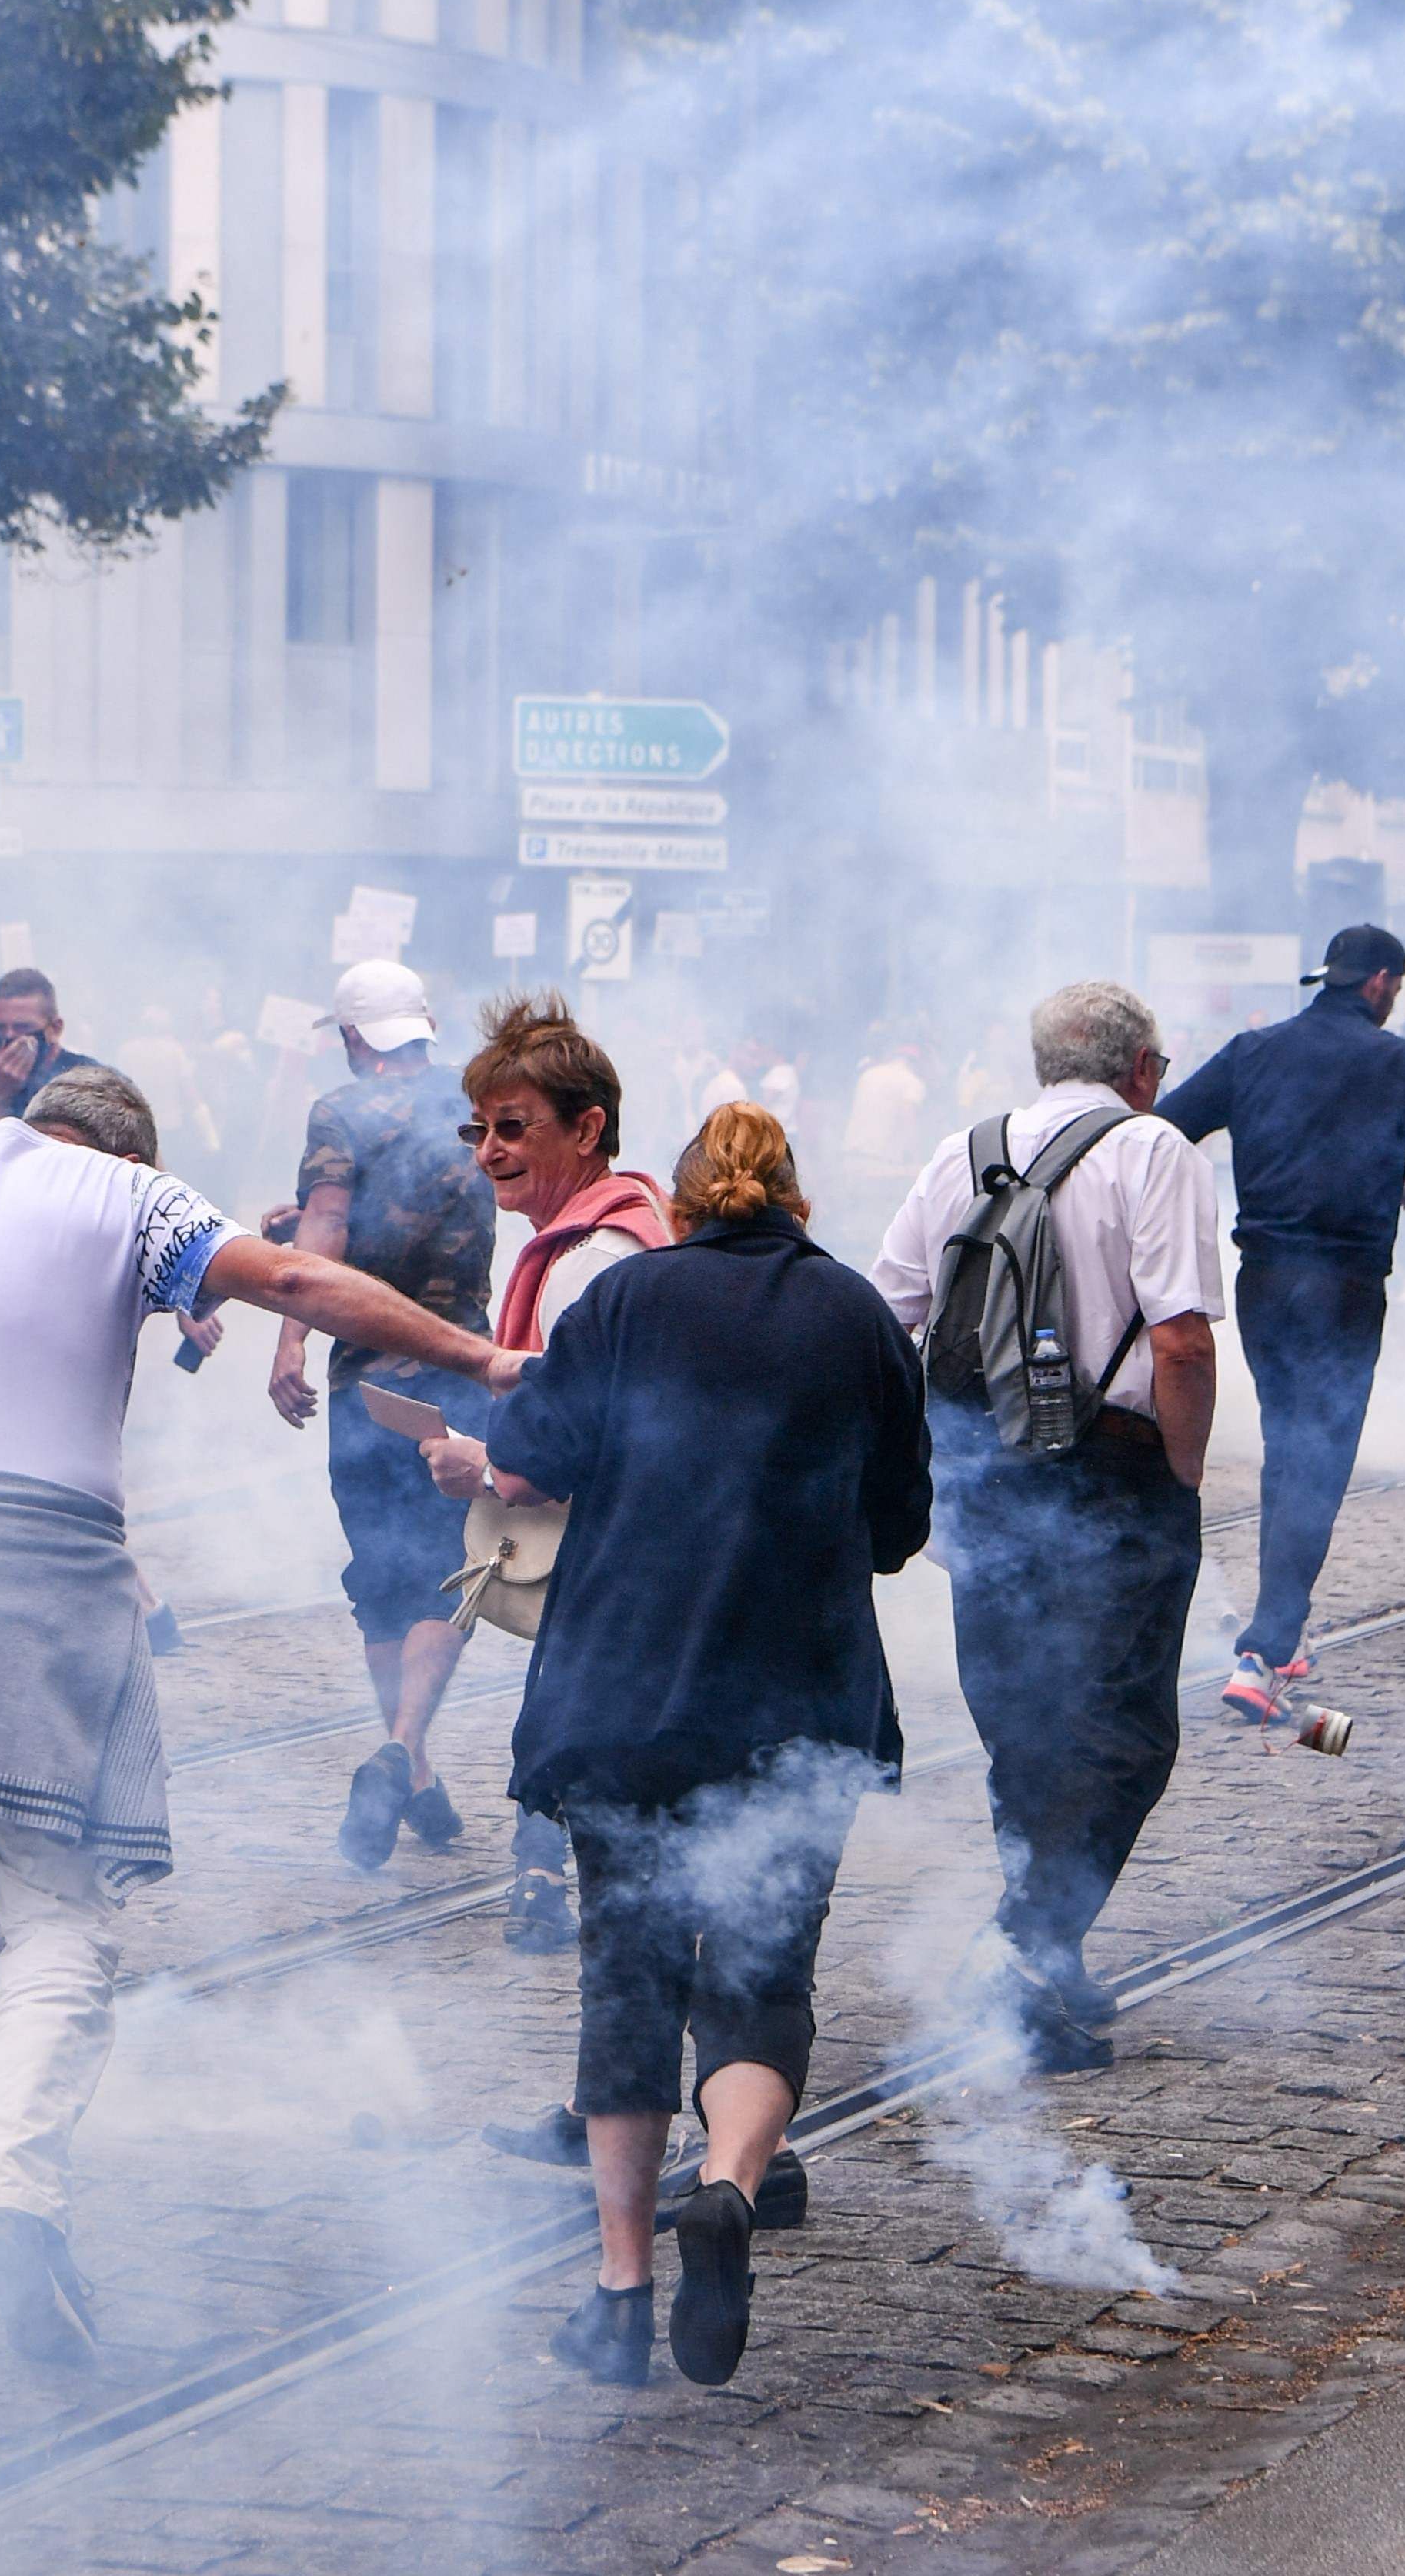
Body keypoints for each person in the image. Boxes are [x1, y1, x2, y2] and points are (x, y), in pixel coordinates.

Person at [0, 1063, 522, 2364]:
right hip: (35, 1566)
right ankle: (4, 2200)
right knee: (63, 1910)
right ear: (123, 1147)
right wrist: (475, 1351)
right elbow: (293, 1282)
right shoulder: (129, 1194)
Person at [480, 1103, 927, 2387]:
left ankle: (619, 2297)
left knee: (625, 1979)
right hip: (792, 1705)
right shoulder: (852, 1316)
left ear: (680, 1206)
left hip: (623, 1698)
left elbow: (533, 1457)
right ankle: (728, 2182)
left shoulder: (622, 1305)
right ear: (793, 1200)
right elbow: (899, 1522)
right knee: (760, 1971)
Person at [873, 980, 1223, 2075]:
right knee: (1122, 1733)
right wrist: (1183, 1471)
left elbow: (887, 1314)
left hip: (984, 1475)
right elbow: (1183, 1345)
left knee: (1024, 1726)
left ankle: (1045, 1952)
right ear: (1143, 1068)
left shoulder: (963, 1149)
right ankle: (1022, 1955)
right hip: (1111, 1473)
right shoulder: (1154, 1149)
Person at [385, 993, 672, 1930]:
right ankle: (546, 1878)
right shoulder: (598, 1235)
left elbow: (589, 1429)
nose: (487, 1151)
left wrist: (485, 1465)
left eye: (512, 1128)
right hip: (618, 1550)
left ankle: (568, 1898)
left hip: (609, 1552)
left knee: (575, 1733)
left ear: (587, 1129)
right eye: (481, 1129)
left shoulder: (595, 1256)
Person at [1156, 925, 1405, 1726]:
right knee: (1318, 1460)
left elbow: (1162, 1129)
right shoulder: (1399, 1063)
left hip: (1264, 1282)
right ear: (1377, 983)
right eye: (1396, 988)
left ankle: (1276, 1626)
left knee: (1285, 1446)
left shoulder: (1251, 1051)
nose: (1393, 999)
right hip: (1343, 1285)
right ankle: (1265, 1649)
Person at [269, 960, 501, 1868]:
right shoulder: (478, 1106)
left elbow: (329, 1230)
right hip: (457, 1371)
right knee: (448, 1568)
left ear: (355, 1037)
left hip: (365, 1378)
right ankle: (407, 1757)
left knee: (378, 1573)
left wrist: (288, 1341)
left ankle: (403, 1763)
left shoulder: (340, 1113)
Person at [0, 966, 103, 1127]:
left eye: (22, 1027)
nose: (10, 1036)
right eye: (1, 1028)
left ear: (55, 1029)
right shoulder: (2, 1080)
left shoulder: (87, 1079)